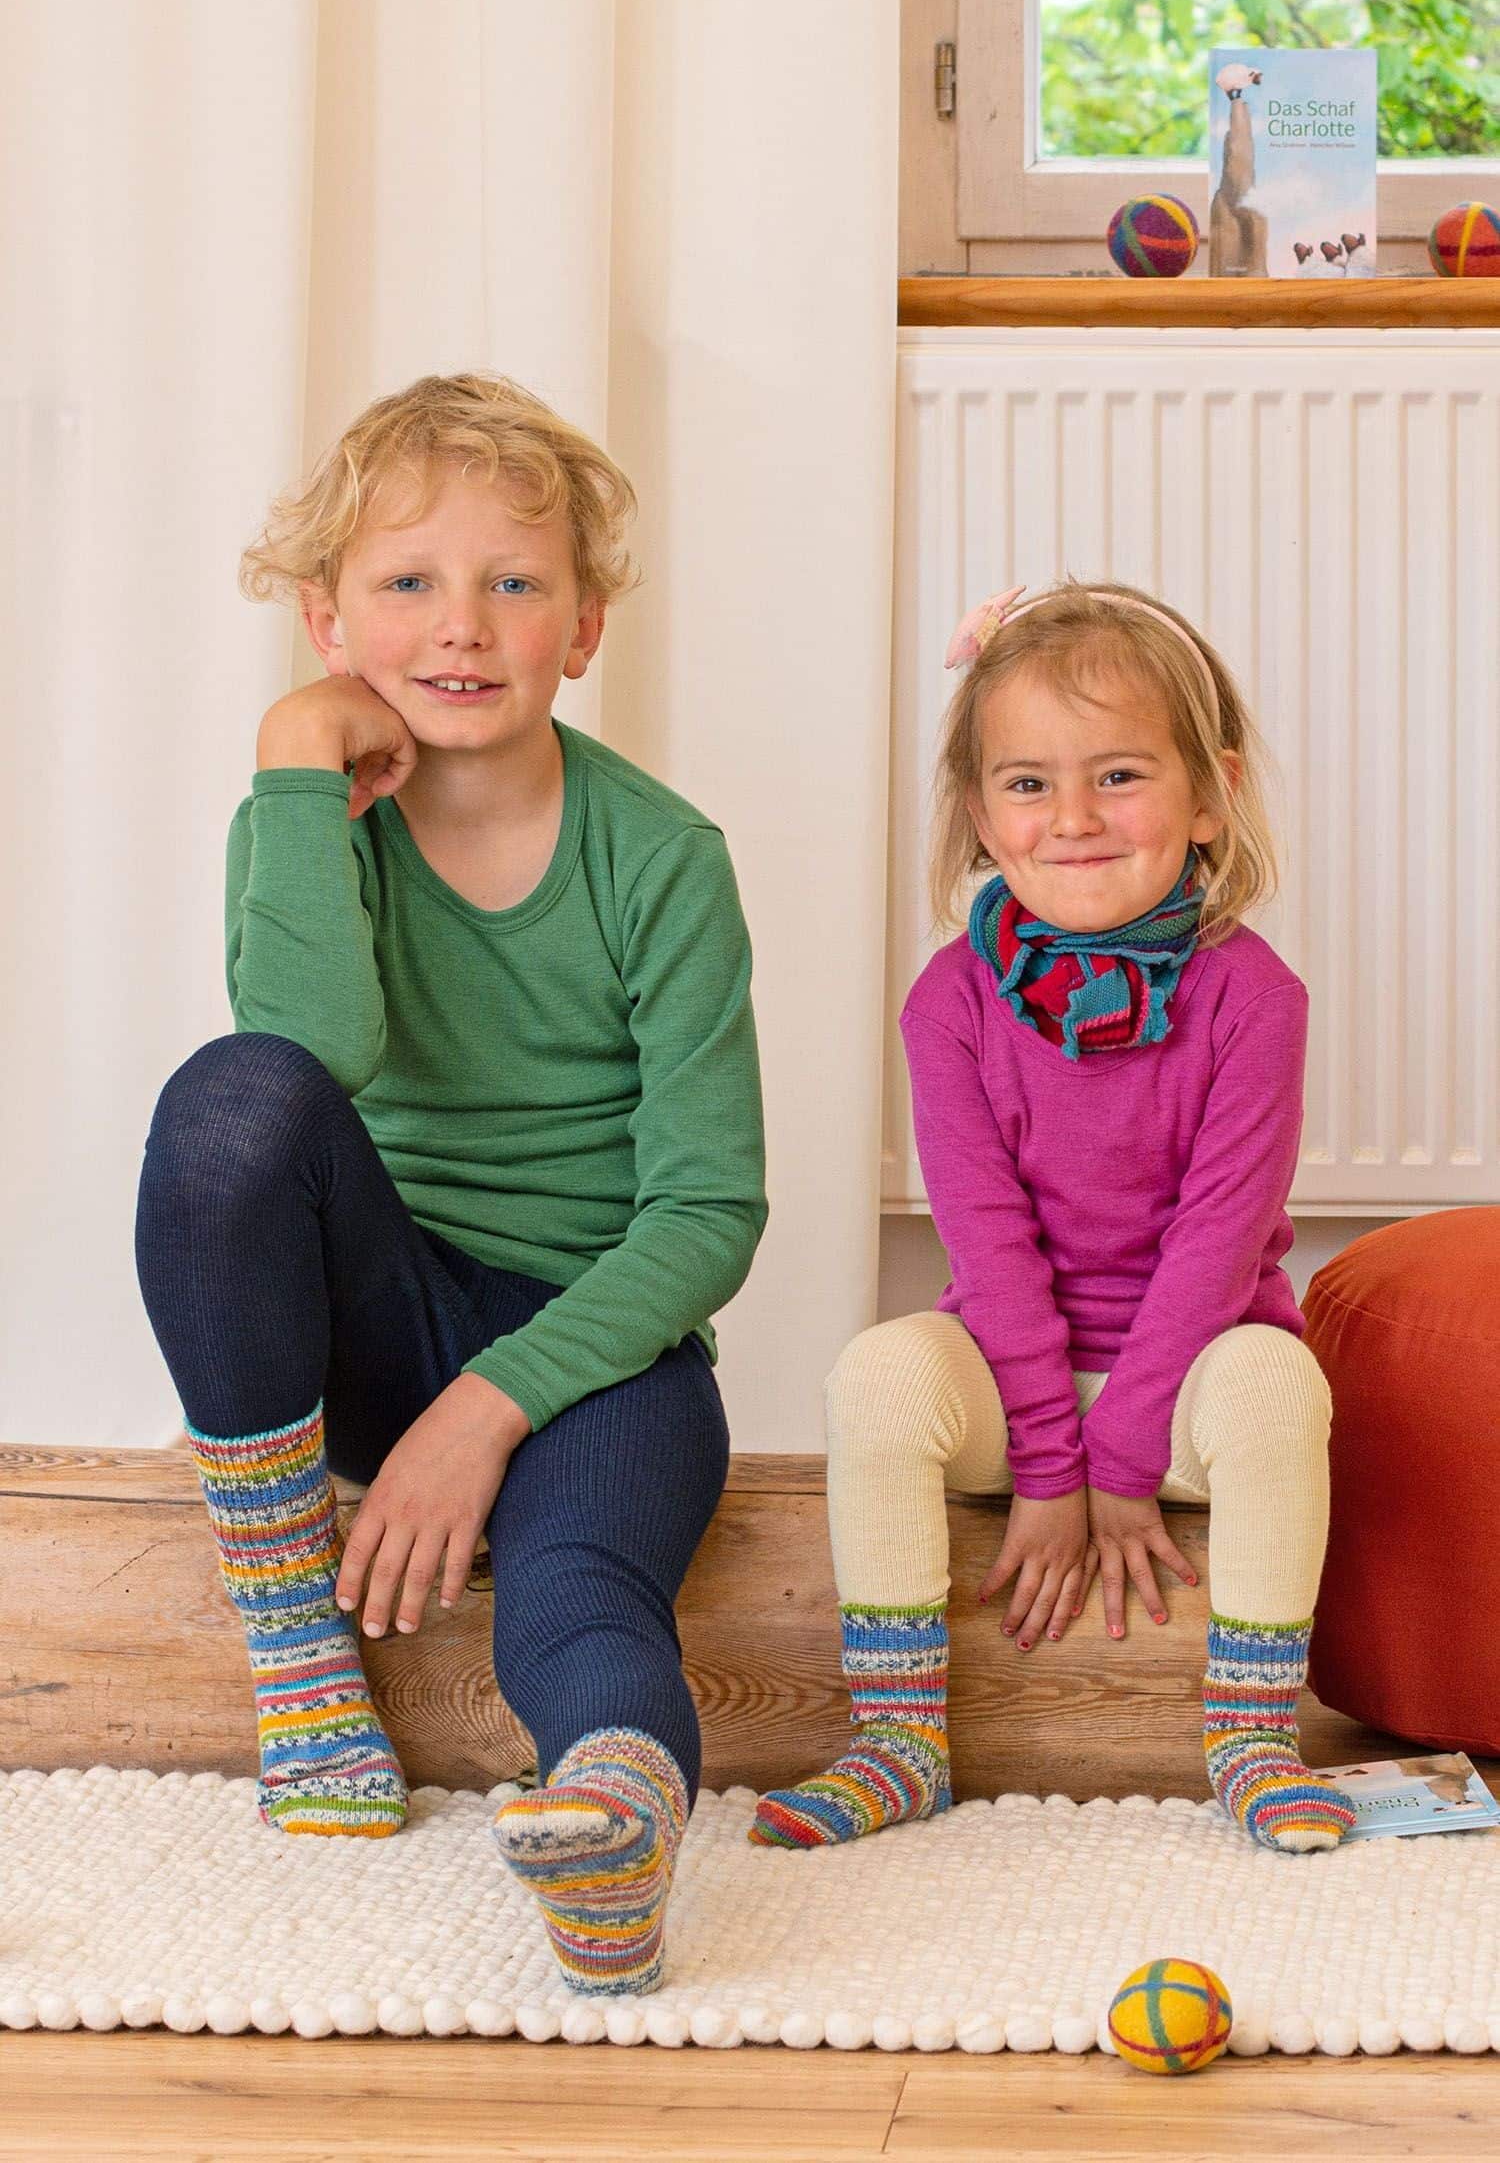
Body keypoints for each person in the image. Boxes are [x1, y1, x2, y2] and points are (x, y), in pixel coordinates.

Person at [134, 371, 767, 1995]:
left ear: (589, 622)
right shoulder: (302, 814)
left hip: (593, 1355)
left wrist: (488, 1409)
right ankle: (297, 1637)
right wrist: (293, 756)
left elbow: (706, 1213)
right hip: (384, 1314)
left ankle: (614, 1830)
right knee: (225, 1100)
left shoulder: (664, 856)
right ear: (328, 617)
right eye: (408, 582)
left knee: (577, 1584)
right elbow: (305, 1061)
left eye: (514, 582)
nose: (462, 625)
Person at [750, 578, 1356, 1858]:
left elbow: (1213, 1246)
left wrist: (1121, 1465)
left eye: (1120, 776)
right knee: (879, 1373)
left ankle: (1252, 1734)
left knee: (1277, 1389)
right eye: (1027, 785)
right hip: (1015, 1374)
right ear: (981, 815)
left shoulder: (1256, 997)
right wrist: (1045, 1458)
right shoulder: (950, 1001)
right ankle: (899, 1739)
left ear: (1211, 795)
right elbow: (987, 1242)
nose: (1073, 818)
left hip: (1188, 1382)